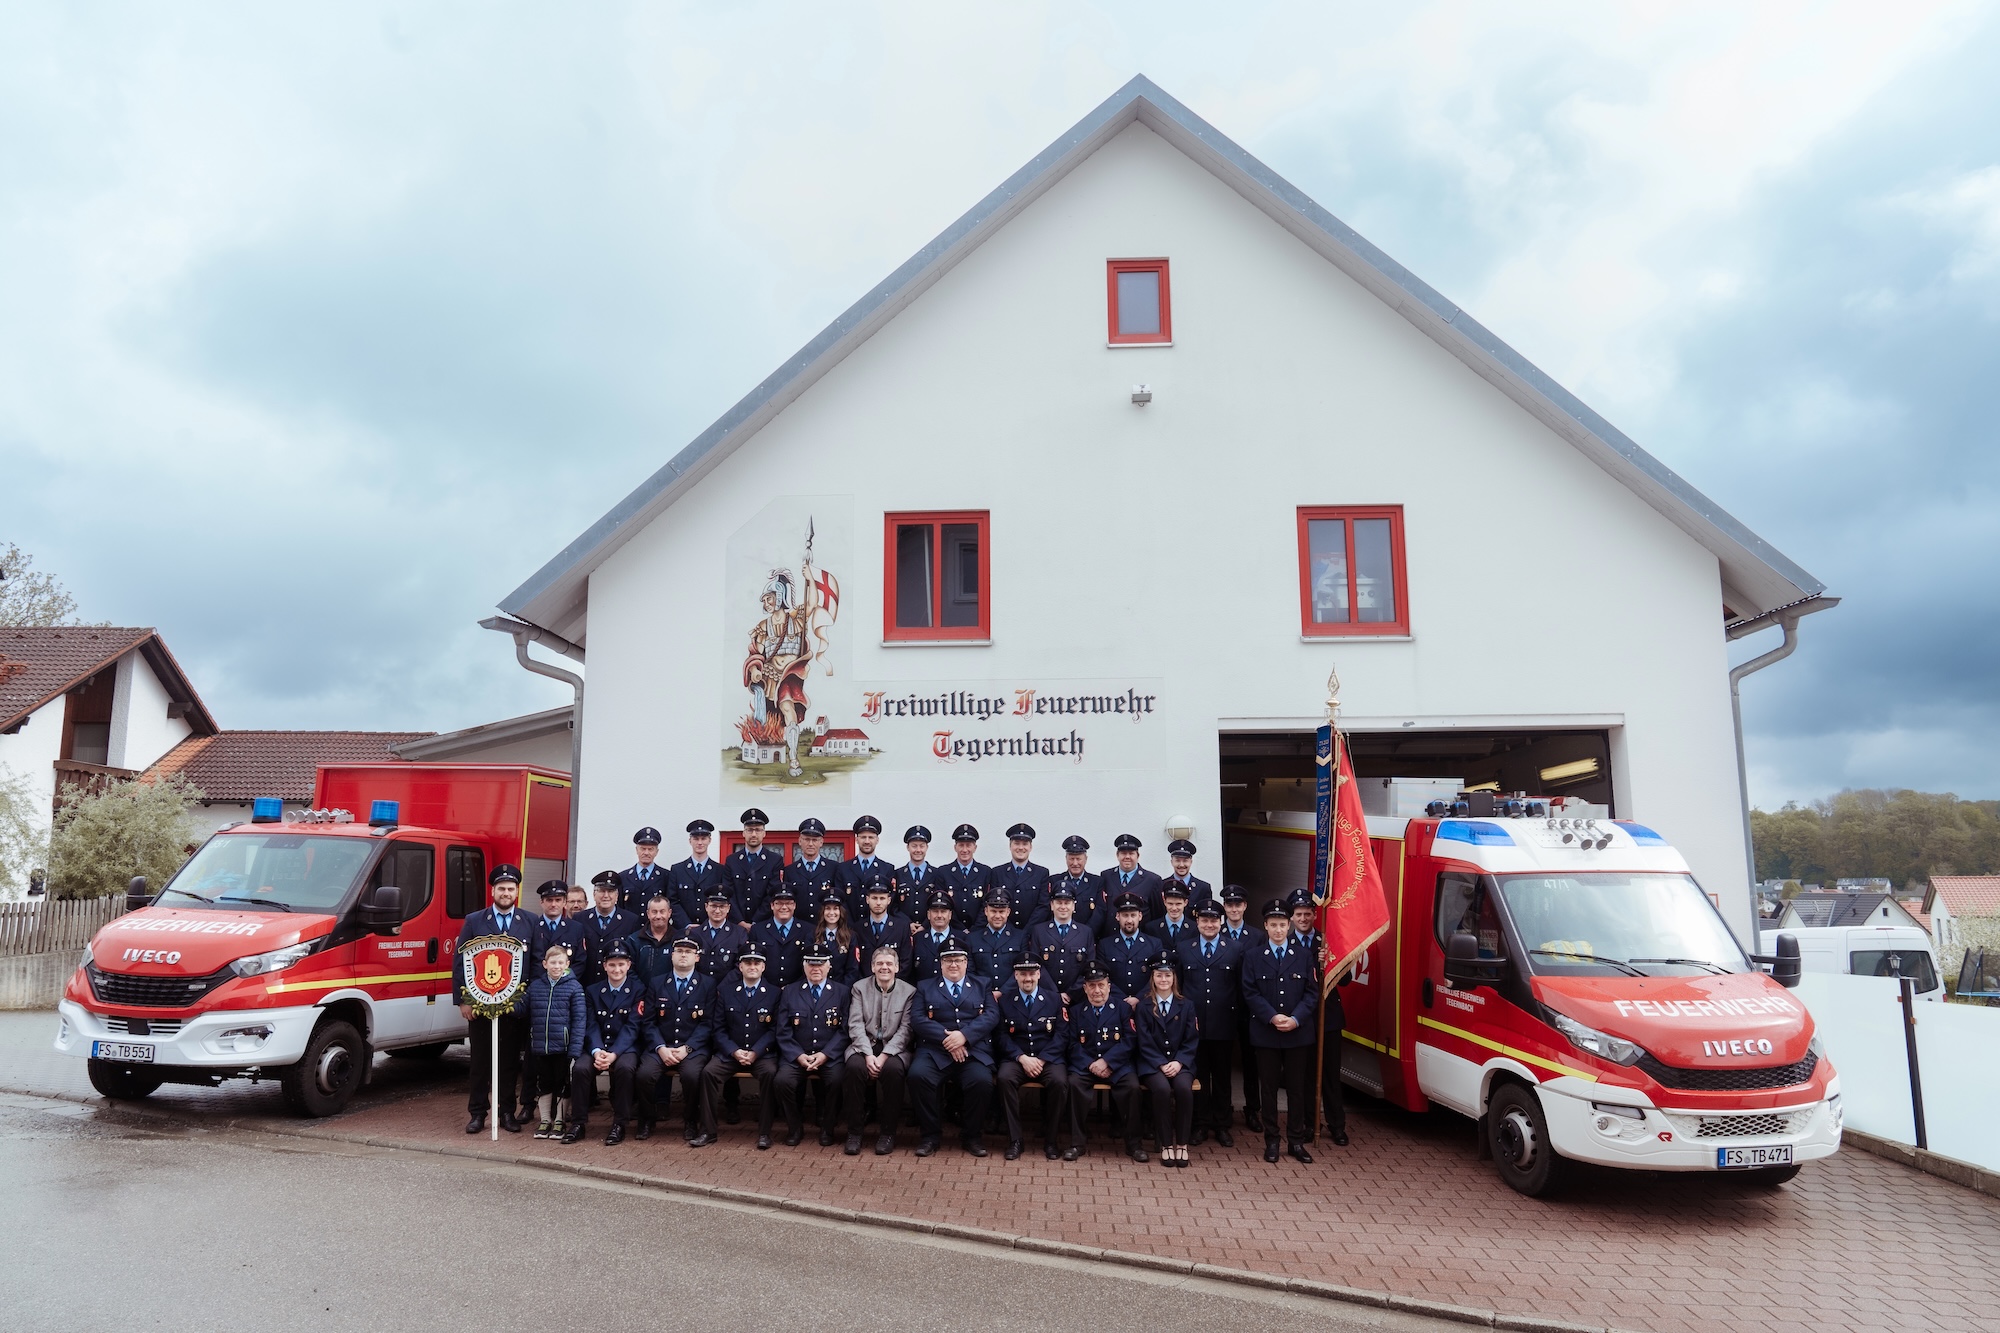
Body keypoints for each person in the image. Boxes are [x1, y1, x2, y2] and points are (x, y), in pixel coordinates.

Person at [455, 864, 536, 1134]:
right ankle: (477, 1114)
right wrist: (464, 1000)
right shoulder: (475, 920)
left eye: (510, 889)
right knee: (479, 1063)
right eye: (501, 888)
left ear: (516, 892)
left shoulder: (530, 922)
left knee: (510, 1064)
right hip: (480, 1005)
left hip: (514, 1009)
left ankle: (506, 1113)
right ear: (493, 891)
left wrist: (524, 1002)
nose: (505, 892)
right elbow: (461, 963)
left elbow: (534, 964)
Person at [1242, 900, 1319, 1164]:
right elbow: (1250, 992)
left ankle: (1296, 1141)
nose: (1278, 930)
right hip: (1267, 1032)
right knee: (1270, 1089)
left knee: (1297, 1089)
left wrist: (1296, 1019)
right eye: (1273, 925)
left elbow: (1312, 992)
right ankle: (1272, 1141)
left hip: (1298, 1032)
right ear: (1265, 926)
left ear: (1289, 925)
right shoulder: (1253, 956)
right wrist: (1272, 1017)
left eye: (1282, 925)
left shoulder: (1304, 955)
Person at [908, 944, 998, 1158]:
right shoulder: (925, 986)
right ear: (941, 963)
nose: (954, 964)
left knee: (982, 1082)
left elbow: (992, 1015)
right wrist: (948, 1039)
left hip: (973, 1051)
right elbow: (917, 1019)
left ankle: (971, 1136)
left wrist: (964, 1037)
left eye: (958, 960)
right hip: (935, 1051)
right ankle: (930, 1136)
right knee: (917, 1076)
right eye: (948, 960)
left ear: (966, 962)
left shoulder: (982, 984)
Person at [1176, 900, 1244, 1146]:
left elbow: (1239, 987)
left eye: (1214, 920)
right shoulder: (1184, 948)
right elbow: (1179, 988)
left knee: (1223, 1077)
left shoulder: (1235, 949)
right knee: (1199, 1076)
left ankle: (1223, 1124)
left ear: (1221, 921)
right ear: (1197, 922)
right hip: (1194, 1026)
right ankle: (1201, 1123)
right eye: (1204, 920)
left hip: (1223, 1024)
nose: (1209, 924)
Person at [700, 947, 781, 1149]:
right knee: (708, 1073)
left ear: (763, 967)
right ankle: (708, 1131)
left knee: (771, 1074)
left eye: (756, 963)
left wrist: (755, 1052)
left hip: (761, 1055)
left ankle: (764, 1133)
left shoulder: (774, 993)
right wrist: (734, 1051)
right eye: (748, 963)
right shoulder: (726, 992)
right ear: (740, 966)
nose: (752, 967)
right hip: (731, 1053)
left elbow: (774, 1029)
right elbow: (718, 1028)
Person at [994, 956, 1073, 1161]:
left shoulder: (1054, 999)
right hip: (1017, 1058)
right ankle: (1015, 1140)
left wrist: (1043, 1059)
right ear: (1016, 976)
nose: (1027, 978)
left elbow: (1062, 1034)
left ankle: (1051, 1140)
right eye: (1023, 974)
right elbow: (1001, 1036)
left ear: (1038, 975)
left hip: (1048, 1058)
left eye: (1031, 974)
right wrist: (1021, 1058)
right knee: (1004, 1079)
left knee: (1059, 1082)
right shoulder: (1005, 1001)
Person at [635, 937, 711, 1143]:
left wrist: (687, 1048)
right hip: (661, 1047)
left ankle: (690, 1121)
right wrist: (661, 1048)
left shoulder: (707, 984)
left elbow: (708, 1023)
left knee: (692, 1076)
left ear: (696, 957)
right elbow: (649, 1022)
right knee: (643, 1075)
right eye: (679, 951)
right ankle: (647, 1119)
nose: (683, 955)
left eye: (688, 952)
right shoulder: (657, 982)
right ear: (672, 955)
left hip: (692, 1049)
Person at [1068, 961, 1144, 1162]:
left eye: (1101, 985)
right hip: (1087, 1065)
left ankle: (1134, 1144)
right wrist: (1091, 1064)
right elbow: (1072, 1045)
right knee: (1074, 1084)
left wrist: (1108, 1062)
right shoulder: (1076, 1011)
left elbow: (1130, 1040)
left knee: (1133, 1087)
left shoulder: (1122, 1009)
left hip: (1117, 1066)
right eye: (1091, 986)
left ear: (1109, 986)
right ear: (1084, 988)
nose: (1097, 991)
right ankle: (1077, 1143)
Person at [773, 946, 848, 1146]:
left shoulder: (842, 992)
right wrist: (798, 1055)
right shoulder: (790, 991)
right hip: (798, 1056)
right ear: (804, 966)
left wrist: (825, 1055)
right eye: (811, 964)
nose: (816, 968)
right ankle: (795, 1127)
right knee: (782, 1081)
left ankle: (828, 1128)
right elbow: (783, 1030)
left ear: (829, 966)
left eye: (820, 963)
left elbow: (844, 1030)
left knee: (838, 1081)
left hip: (828, 1056)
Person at [845, 945, 916, 1156]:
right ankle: (854, 1132)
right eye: (879, 964)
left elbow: (906, 1030)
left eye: (888, 964)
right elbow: (855, 1024)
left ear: (897, 967)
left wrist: (884, 1056)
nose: (884, 967)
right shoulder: (859, 988)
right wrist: (868, 1055)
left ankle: (887, 1133)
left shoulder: (909, 992)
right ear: (872, 967)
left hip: (894, 1047)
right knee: (853, 1068)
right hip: (864, 1044)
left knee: (894, 1071)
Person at [1134, 956, 1200, 1168]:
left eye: (1167, 975)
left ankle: (1182, 1143)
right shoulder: (1144, 1006)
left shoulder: (1186, 1005)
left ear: (1174, 978)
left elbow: (1191, 1039)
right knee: (1161, 1090)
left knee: (1183, 1089)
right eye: (1159, 975)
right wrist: (1161, 1063)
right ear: (1152, 978)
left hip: (1181, 1063)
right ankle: (1165, 1144)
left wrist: (1179, 1062)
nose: (1163, 979)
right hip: (1152, 1064)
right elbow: (1143, 1041)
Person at [525, 942, 588, 1143]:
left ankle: (560, 1119)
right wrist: (506, 1003)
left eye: (561, 962)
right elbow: (522, 1008)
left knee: (562, 1083)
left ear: (567, 964)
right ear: (545, 964)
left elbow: (579, 1020)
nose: (556, 966)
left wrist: (575, 1049)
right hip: (541, 1046)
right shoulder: (535, 986)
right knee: (544, 1083)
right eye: (552, 962)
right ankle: (545, 1120)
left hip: (563, 1046)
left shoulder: (574, 987)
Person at [584, 939, 646, 1145]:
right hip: (598, 1046)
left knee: (625, 1069)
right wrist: (596, 1051)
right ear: (604, 966)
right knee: (580, 1069)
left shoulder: (638, 990)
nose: (616, 969)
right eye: (612, 964)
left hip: (625, 1047)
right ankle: (578, 1123)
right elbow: (591, 1025)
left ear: (629, 965)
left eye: (621, 964)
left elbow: (633, 1027)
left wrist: (613, 1054)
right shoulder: (593, 991)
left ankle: (619, 1123)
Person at [1219, 884, 1261, 1133]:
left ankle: (1252, 1110)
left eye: (1238, 904)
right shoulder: (1215, 931)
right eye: (1229, 904)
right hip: (1223, 1008)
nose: (1234, 908)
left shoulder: (1257, 936)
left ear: (1245, 906)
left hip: (1248, 1009)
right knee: (1222, 1063)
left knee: (1250, 1061)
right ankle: (1222, 1110)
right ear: (1224, 907)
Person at [1028, 882, 1096, 1005]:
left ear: (1074, 906)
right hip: (1046, 998)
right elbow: (1036, 965)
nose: (1063, 907)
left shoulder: (1086, 932)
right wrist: (1054, 994)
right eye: (1059, 902)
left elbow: (1089, 967)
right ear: (1052, 905)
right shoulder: (1039, 931)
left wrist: (1071, 993)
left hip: (1077, 1000)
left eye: (1067, 903)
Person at [1098, 893, 1164, 1005]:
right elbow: (1102, 977)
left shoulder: (1154, 944)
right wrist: (1122, 1000)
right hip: (1115, 1004)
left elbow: (1157, 975)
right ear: (1117, 916)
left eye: (1133, 915)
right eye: (1125, 915)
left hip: (1146, 1005)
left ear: (1140, 916)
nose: (1129, 920)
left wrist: (1139, 998)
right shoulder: (1105, 945)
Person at [578, 871, 640, 988]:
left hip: (615, 990)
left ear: (617, 896)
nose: (606, 895)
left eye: (610, 891)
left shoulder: (631, 920)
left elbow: (632, 958)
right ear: (594, 894)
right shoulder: (580, 918)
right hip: (584, 986)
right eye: (601, 890)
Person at [725, 808, 785, 924]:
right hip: (736, 925)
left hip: (764, 923)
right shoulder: (732, 861)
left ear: (764, 833)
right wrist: (740, 921)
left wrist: (755, 922)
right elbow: (729, 894)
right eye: (749, 830)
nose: (753, 834)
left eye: (757, 830)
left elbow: (772, 894)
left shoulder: (774, 860)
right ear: (743, 833)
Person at [668, 819, 729, 926]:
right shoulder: (677, 870)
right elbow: (672, 901)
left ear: (709, 840)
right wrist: (686, 924)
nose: (700, 842)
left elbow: (723, 901)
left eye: (703, 838)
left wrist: (707, 925)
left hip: (710, 929)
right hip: (683, 929)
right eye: (696, 839)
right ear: (690, 841)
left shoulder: (719, 870)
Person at [1041, 835, 1107, 935]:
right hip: (1058, 937)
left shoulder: (1097, 882)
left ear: (1086, 859)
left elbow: (1099, 913)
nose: (1075, 863)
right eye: (1071, 859)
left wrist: (1084, 935)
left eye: (1078, 859)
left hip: (1088, 937)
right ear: (1066, 859)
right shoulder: (1054, 881)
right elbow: (1048, 911)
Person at [684, 889, 750, 986]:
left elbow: (741, 964)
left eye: (722, 906)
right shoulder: (694, 933)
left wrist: (723, 987)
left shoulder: (739, 933)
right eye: (713, 906)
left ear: (728, 908)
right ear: (706, 907)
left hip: (728, 989)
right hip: (699, 988)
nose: (717, 911)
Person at [966, 890, 1025, 997]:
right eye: (993, 911)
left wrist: (1002, 992)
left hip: (1013, 996)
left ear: (1008, 912)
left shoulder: (1020, 937)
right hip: (982, 996)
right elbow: (970, 972)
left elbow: (1022, 969)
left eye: (1001, 911)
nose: (997, 916)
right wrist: (987, 992)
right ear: (986, 911)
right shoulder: (972, 938)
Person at [987, 823, 1046, 929]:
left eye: (1025, 844)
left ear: (1030, 847)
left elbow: (1043, 907)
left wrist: (1027, 931)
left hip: (1031, 933)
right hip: (1005, 934)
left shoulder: (1041, 873)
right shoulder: (997, 873)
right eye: (1017, 843)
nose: (1020, 847)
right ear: (1010, 846)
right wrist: (1011, 932)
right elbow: (993, 905)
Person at [782, 818, 840, 922]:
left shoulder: (834, 868)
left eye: (814, 840)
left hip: (824, 926)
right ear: (800, 841)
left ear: (821, 842)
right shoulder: (790, 871)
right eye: (807, 839)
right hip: (799, 929)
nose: (810, 844)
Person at [750, 886, 808, 989]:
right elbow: (752, 962)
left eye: (788, 903)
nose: (784, 907)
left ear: (794, 905)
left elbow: (809, 964)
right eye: (779, 903)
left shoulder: (808, 930)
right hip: (766, 990)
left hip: (797, 991)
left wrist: (793, 988)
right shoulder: (757, 930)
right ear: (772, 905)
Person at [623, 894, 682, 992]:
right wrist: (642, 990)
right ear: (648, 914)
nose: (658, 916)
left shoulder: (679, 940)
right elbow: (628, 970)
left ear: (669, 913)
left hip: (671, 996)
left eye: (662, 912)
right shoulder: (633, 940)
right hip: (641, 994)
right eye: (654, 912)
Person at [1099, 834, 1164, 922]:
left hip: (1140, 934)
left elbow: (1158, 915)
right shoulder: (1106, 876)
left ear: (1138, 856)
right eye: (1123, 853)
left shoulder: (1152, 880)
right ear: (1117, 855)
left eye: (1131, 853)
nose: (1127, 857)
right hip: (1110, 934)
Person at [852, 884, 913, 978]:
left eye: (882, 898)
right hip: (865, 988)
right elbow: (855, 964)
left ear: (889, 900)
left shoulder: (902, 927)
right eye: (874, 898)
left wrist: (890, 984)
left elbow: (906, 962)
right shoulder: (857, 928)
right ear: (867, 900)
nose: (878, 903)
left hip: (894, 987)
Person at [841, 815, 894, 920]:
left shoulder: (887, 869)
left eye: (871, 837)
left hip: (874, 929)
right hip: (848, 930)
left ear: (877, 840)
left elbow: (889, 902)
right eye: (863, 837)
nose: (867, 841)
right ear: (856, 839)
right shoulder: (843, 868)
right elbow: (841, 902)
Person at [940, 823, 989, 930]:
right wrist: (961, 929)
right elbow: (944, 905)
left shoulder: (985, 872)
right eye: (961, 845)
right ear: (955, 847)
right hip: (952, 930)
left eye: (969, 845)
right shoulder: (944, 872)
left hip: (979, 931)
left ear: (975, 847)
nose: (965, 850)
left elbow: (986, 905)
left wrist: (975, 929)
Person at [617, 826, 668, 917]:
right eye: (643, 849)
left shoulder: (666, 876)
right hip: (630, 929)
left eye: (650, 849)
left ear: (657, 851)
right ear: (637, 850)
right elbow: (619, 907)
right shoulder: (623, 877)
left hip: (655, 929)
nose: (646, 853)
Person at [891, 825, 937, 921]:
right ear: (908, 847)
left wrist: (925, 925)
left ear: (927, 847)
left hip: (929, 929)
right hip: (903, 929)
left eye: (922, 846)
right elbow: (893, 904)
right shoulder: (897, 874)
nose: (918, 850)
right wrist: (908, 923)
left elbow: (939, 905)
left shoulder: (936, 874)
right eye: (914, 846)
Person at [812, 898, 858, 989]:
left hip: (842, 989)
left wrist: (842, 991)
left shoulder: (851, 936)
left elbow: (852, 970)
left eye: (836, 908)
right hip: (817, 988)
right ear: (822, 911)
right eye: (828, 908)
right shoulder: (812, 935)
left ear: (841, 911)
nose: (832, 912)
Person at [1161, 838, 1214, 914]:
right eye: (1177, 860)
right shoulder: (1161, 885)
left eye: (1185, 860)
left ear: (1191, 862)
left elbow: (1206, 916)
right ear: (1172, 862)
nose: (1181, 865)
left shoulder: (1203, 888)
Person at [1144, 881, 1197, 950]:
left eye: (1178, 904)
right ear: (1164, 902)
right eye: (1170, 904)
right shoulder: (1151, 928)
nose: (1174, 908)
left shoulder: (1195, 929)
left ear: (1185, 903)